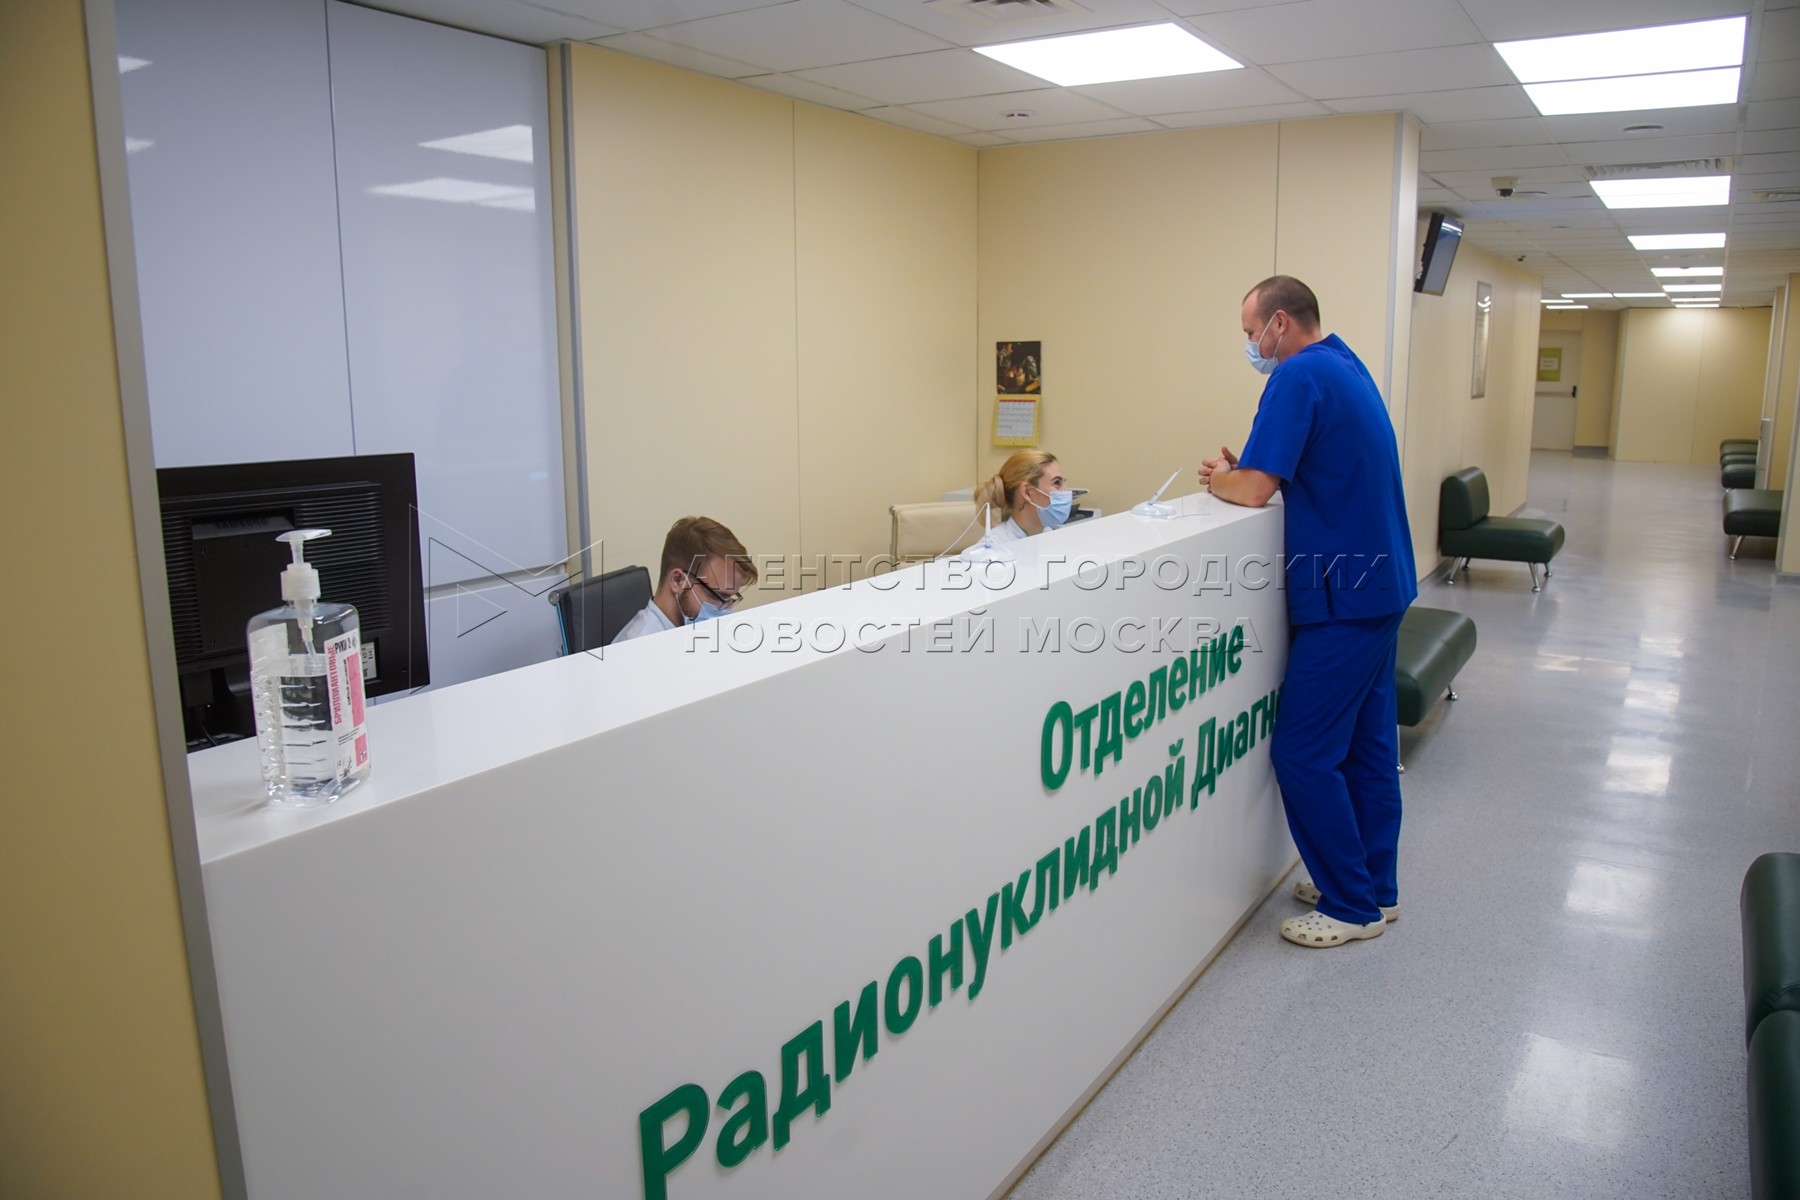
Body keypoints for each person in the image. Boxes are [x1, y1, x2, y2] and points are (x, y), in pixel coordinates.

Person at [1199, 275, 1417, 950]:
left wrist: (1223, 478)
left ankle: (1350, 905)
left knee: (1303, 753)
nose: (1250, 345)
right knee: (1369, 749)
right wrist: (1250, 468)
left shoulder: (1295, 376)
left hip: (1343, 597)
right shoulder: (1343, 363)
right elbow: (1306, 465)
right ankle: (1375, 888)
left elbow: (1254, 490)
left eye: (1250, 332)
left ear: (1280, 323)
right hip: (1382, 584)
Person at [611, 516, 757, 643]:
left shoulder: (691, 631)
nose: (726, 611)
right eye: (719, 596)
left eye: (730, 598)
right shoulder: (636, 650)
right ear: (678, 580)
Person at [972, 449, 1075, 545]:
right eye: (1057, 483)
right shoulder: (993, 548)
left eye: (1063, 482)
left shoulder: (1050, 535)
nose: (1065, 490)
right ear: (1027, 492)